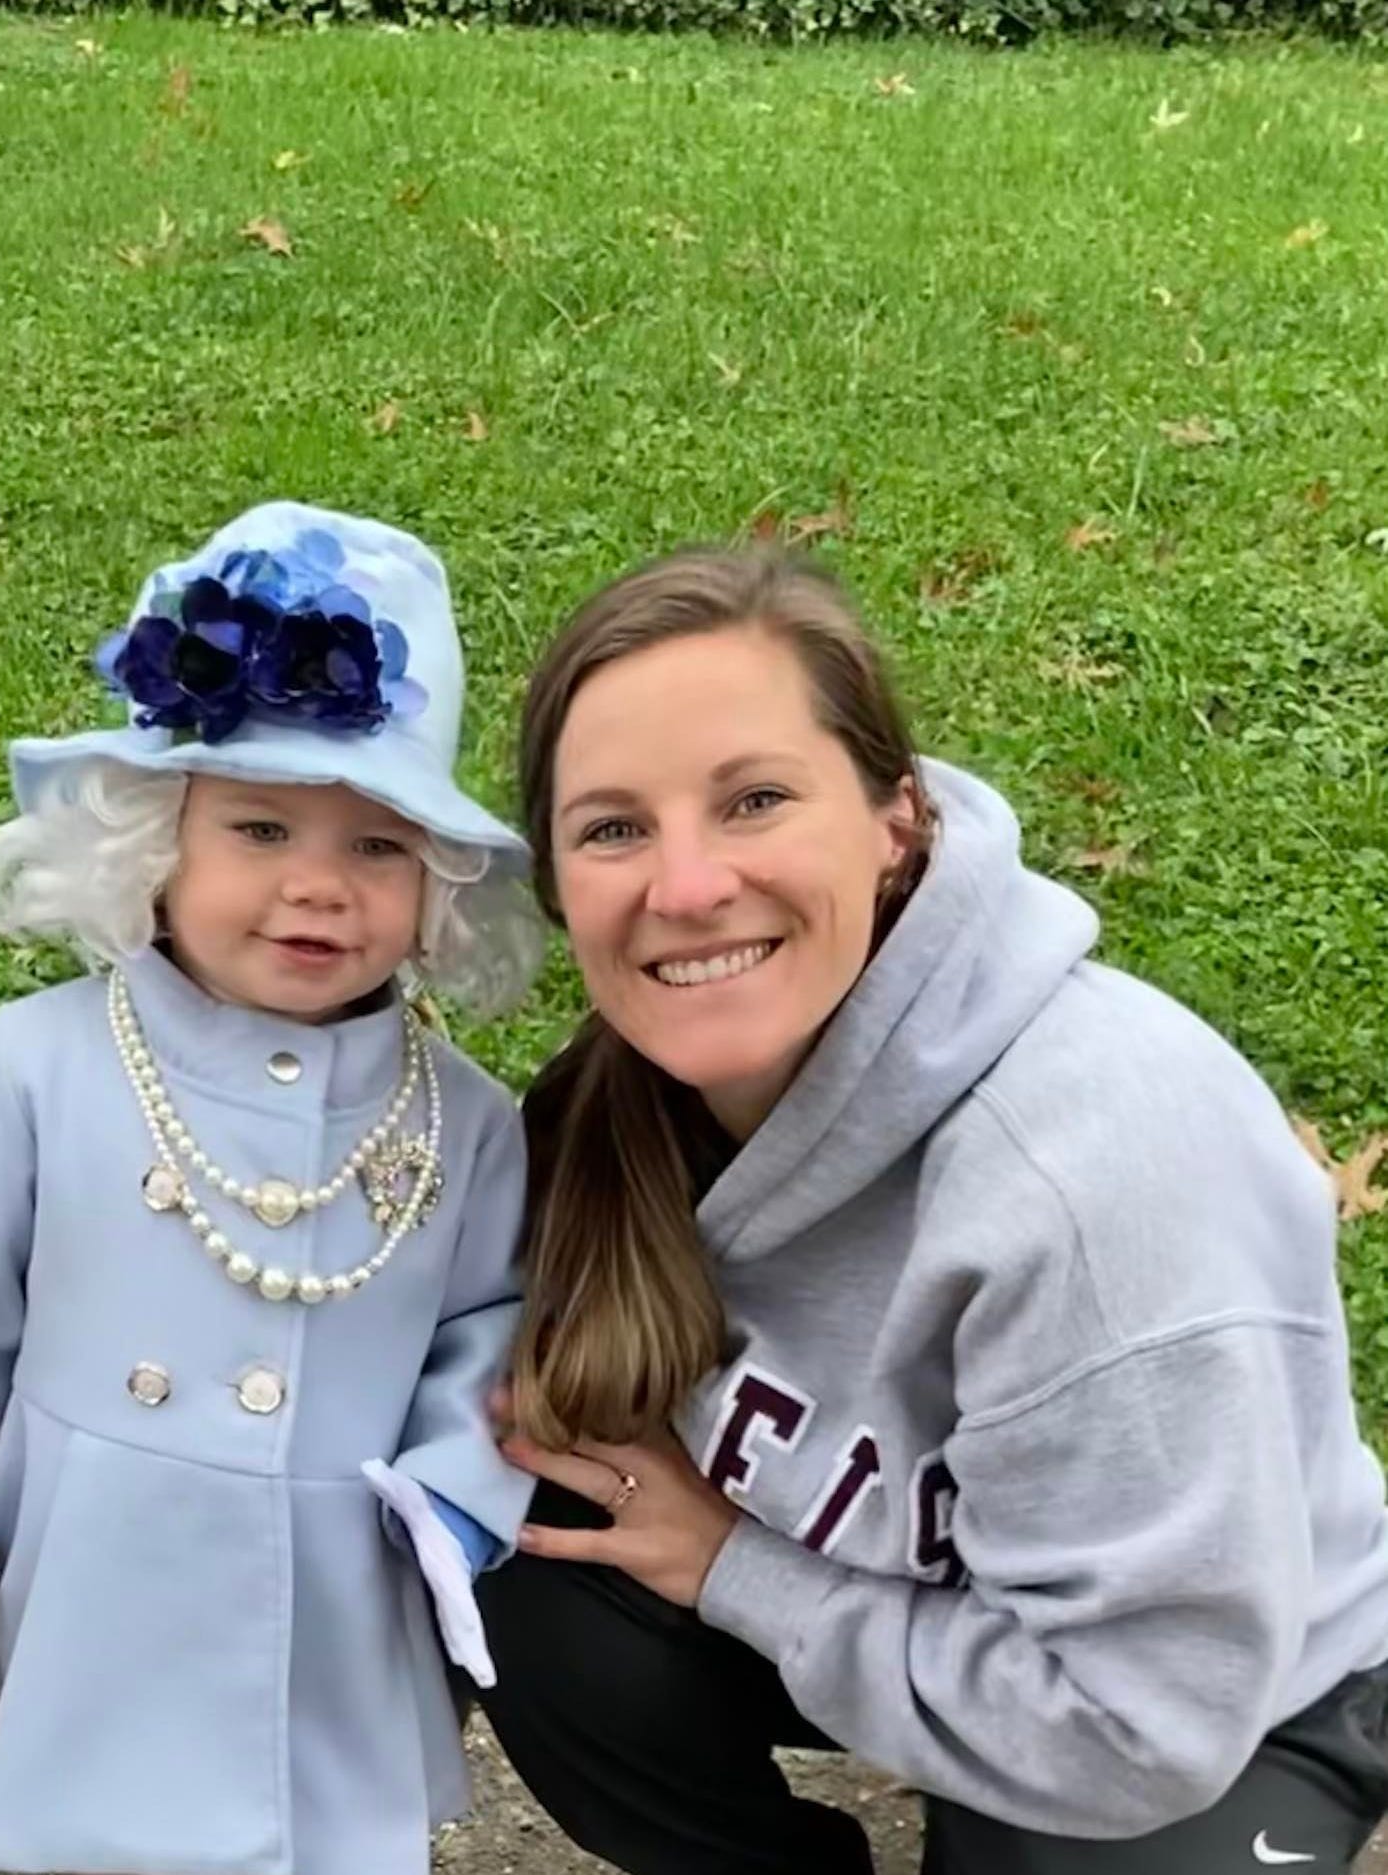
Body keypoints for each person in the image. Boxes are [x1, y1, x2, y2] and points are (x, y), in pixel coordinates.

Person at [475, 546, 1388, 1873]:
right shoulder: (613, 1110)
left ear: (896, 821)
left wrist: (738, 1568)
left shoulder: (1092, 1179)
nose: (683, 887)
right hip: (911, 1601)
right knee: (527, 1546)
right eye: (615, 826)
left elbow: (1140, 1725)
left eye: (755, 801)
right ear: (561, 888)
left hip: (1207, 1704)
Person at [0, 502, 545, 1874]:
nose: (319, 888)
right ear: (155, 839)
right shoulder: (42, 1063)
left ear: (437, 883)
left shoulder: (463, 1122)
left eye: (378, 847)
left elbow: (492, 1329)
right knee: (69, 1831)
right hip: (88, 1573)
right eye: (260, 829)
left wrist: (450, 1494)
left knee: (320, 1841)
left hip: (329, 1606)